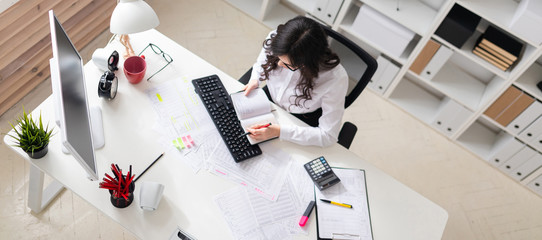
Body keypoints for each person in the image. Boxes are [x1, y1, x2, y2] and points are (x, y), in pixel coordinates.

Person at [242, 16, 348, 147]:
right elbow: (261, 62)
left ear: (308, 64)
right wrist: (255, 78)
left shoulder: (335, 78)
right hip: (270, 99)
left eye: (288, 65)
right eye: (278, 57)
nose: (279, 64)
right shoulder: (277, 39)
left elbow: (328, 136)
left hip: (301, 116)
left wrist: (279, 132)